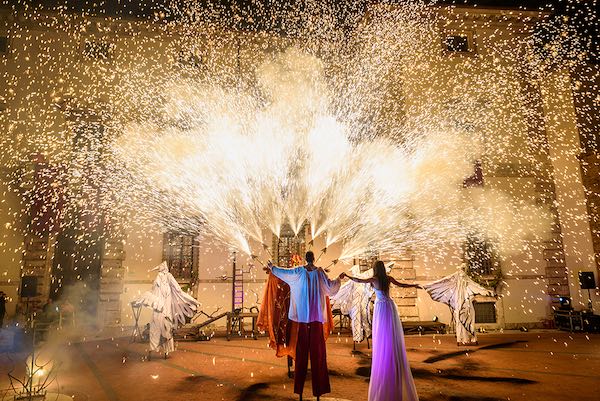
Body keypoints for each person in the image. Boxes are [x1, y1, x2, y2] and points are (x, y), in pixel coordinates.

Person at [266, 251, 343, 401]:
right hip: (315, 322)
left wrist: (273, 268)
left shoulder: (298, 272)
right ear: (313, 259)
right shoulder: (320, 272)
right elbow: (330, 287)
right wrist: (339, 280)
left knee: (301, 356)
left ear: (306, 259)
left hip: (302, 321)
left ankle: (300, 391)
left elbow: (284, 273)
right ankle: (318, 392)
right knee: (318, 356)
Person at [345, 260, 420, 401]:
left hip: (380, 308)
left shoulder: (374, 279)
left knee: (382, 335)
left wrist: (347, 276)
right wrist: (414, 285)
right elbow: (402, 285)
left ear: (375, 269)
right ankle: (391, 353)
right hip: (390, 307)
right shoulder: (388, 279)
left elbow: (359, 280)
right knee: (391, 334)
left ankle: (385, 356)